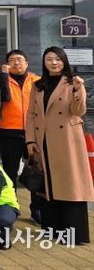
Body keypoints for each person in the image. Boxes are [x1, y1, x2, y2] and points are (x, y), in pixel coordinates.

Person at [26, 47, 94, 245]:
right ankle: (53, 230)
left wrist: (78, 90)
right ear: (44, 62)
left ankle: (74, 233)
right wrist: (30, 140)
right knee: (48, 185)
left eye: (58, 59)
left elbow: (78, 111)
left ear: (64, 61)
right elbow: (31, 114)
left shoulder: (73, 82)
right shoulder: (38, 85)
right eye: (49, 59)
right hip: (43, 140)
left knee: (70, 184)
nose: (54, 63)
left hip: (67, 140)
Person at [0, 49, 43, 224]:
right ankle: (12, 207)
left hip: (33, 132)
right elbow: (3, 98)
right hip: (9, 131)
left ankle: (36, 209)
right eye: (12, 60)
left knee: (36, 171)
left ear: (27, 63)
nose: (16, 63)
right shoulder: (2, 81)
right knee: (9, 172)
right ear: (7, 64)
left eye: (20, 59)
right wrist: (3, 76)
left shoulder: (37, 80)